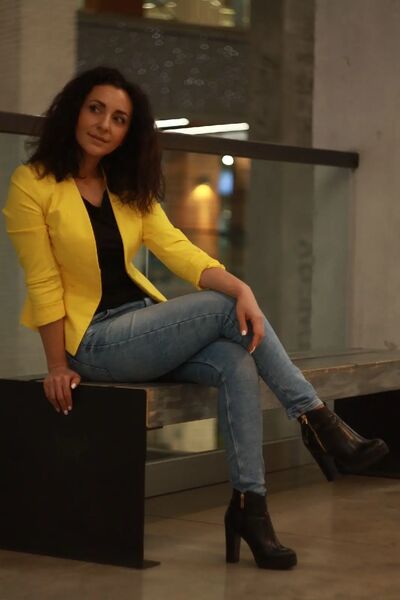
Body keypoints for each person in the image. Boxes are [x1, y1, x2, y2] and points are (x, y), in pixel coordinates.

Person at [3, 66, 388, 571]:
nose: (104, 124)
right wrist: (57, 364)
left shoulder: (124, 187)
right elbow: (43, 281)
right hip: (93, 342)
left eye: (119, 118)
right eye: (96, 109)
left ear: (128, 132)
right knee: (227, 307)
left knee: (235, 361)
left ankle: (251, 507)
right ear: (75, 109)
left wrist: (241, 287)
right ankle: (317, 420)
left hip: (141, 326)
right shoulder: (32, 184)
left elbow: (179, 250)